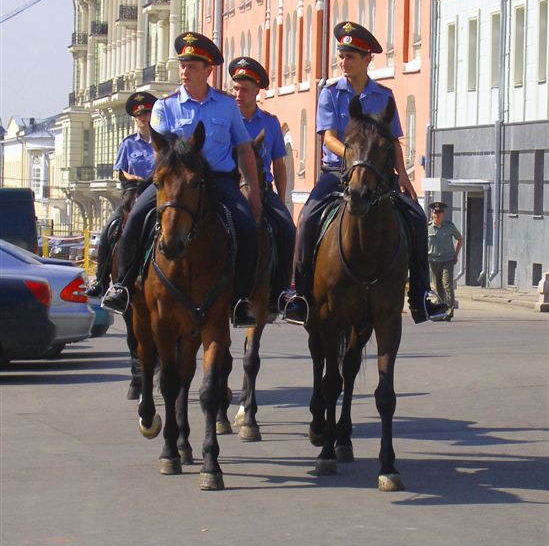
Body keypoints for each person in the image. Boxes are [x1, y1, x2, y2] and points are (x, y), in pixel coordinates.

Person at [282, 21, 450, 325]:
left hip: (378, 177)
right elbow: (328, 137)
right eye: (342, 55)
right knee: (307, 219)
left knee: (413, 217)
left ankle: (422, 296)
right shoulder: (330, 93)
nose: (344, 62)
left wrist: (404, 177)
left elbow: (394, 141)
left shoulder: (383, 96)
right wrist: (354, 156)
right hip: (337, 172)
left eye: (351, 56)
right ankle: (301, 295)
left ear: (366, 59)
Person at [101, 32, 262, 328]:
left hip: (220, 181)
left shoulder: (226, 106)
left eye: (191, 66)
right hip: (177, 181)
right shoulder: (165, 106)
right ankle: (122, 285)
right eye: (182, 65)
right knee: (135, 217)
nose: (184, 71)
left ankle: (240, 299)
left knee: (247, 227)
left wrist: (252, 190)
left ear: (207, 70)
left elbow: (243, 148)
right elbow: (162, 147)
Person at [229, 56, 296, 311]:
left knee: (288, 230)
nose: (238, 94)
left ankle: (279, 294)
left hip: (262, 189)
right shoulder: (225, 118)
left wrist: (280, 198)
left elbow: (279, 164)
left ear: (257, 91)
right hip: (231, 188)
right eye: (235, 88)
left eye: (244, 89)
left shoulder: (270, 122)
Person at [86, 91, 157, 297]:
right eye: (140, 116)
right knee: (111, 226)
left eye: (148, 114)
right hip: (132, 191)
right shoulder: (128, 144)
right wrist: (136, 179)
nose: (144, 119)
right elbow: (122, 171)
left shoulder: (161, 142)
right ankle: (101, 279)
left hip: (154, 190)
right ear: (135, 119)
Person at [428, 202, 463, 321]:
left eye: (439, 212)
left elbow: (460, 238)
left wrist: (456, 254)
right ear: (432, 214)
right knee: (437, 287)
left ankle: (449, 310)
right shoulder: (427, 228)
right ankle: (440, 310)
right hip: (433, 261)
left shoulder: (449, 226)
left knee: (447, 284)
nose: (436, 214)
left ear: (443, 214)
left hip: (447, 260)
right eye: (434, 212)